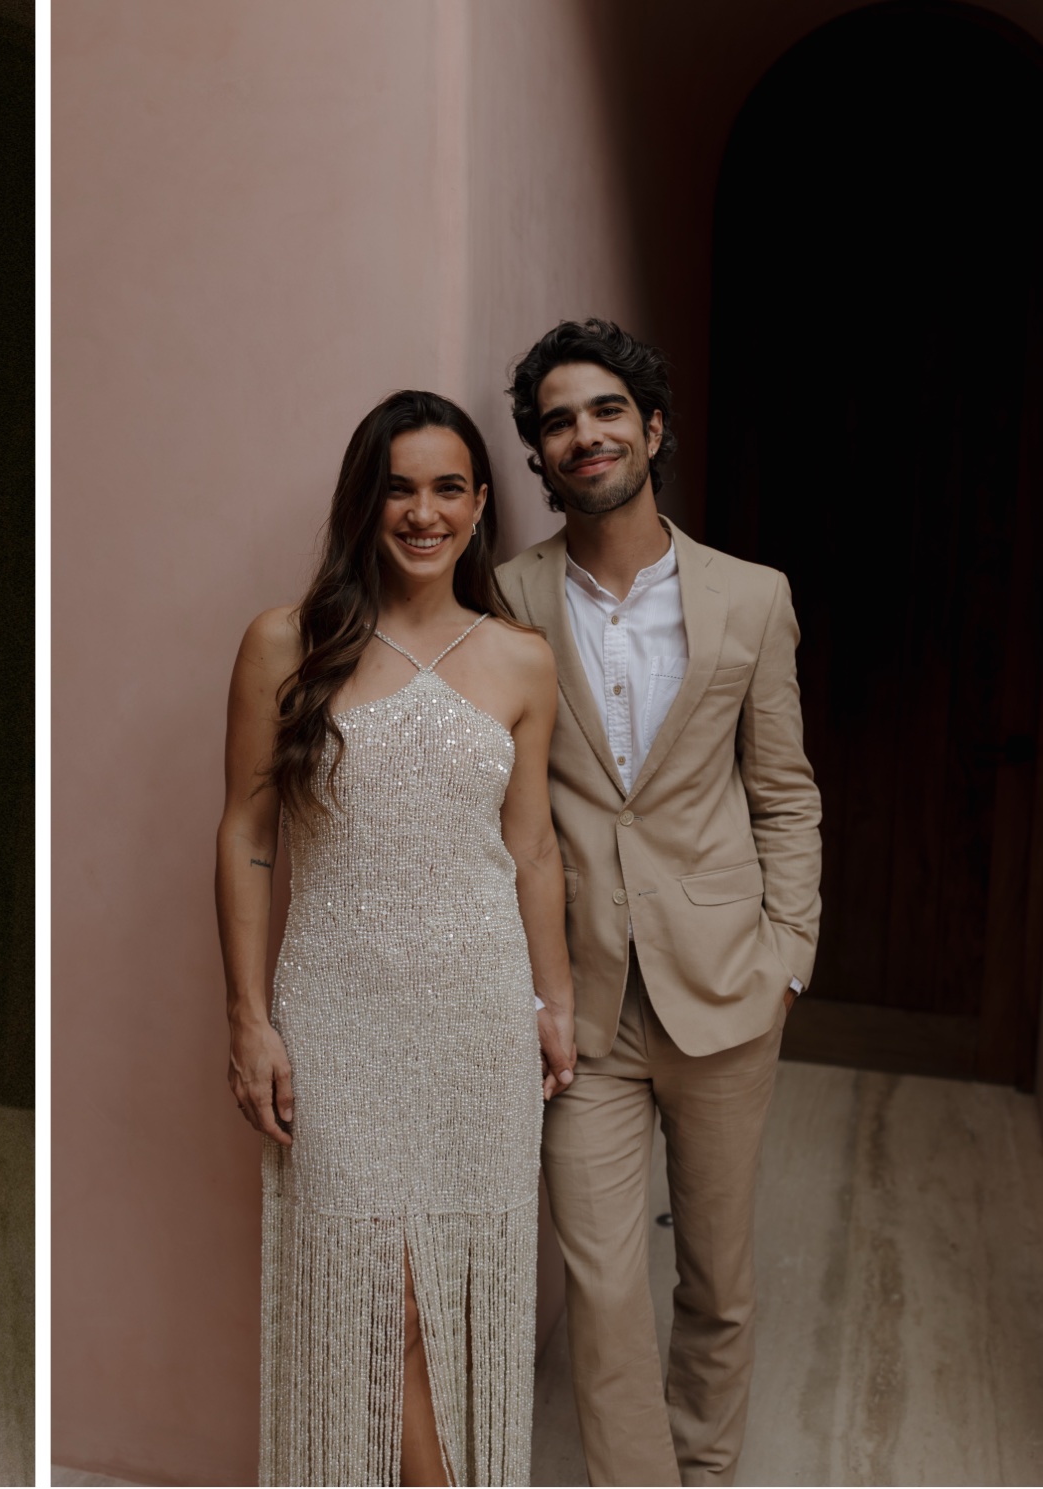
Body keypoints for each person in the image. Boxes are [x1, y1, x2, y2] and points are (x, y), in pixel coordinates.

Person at [219, 390, 579, 1486]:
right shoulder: (286, 640)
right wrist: (246, 1019)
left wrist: (553, 1005)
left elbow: (530, 853)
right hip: (336, 1012)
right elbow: (246, 834)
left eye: (446, 488)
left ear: (479, 506)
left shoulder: (519, 659)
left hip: (476, 1018)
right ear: (362, 500)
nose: (421, 512)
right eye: (397, 486)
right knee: (381, 1297)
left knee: (452, 1290)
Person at [496, 319, 822, 1486]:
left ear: (650, 428)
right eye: (555, 420)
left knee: (716, 1279)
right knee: (598, 1283)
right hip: (577, 1003)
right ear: (536, 453)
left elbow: (782, 792)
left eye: (602, 411)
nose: (582, 434)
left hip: (726, 986)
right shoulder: (503, 597)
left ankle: (705, 1468)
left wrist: (787, 954)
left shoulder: (749, 596)